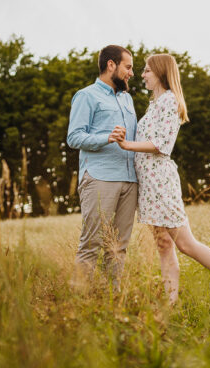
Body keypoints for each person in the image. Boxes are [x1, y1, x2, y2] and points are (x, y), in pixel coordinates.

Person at [117, 54, 210, 304]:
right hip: (149, 186)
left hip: (161, 183)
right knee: (164, 245)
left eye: (147, 70)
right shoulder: (154, 103)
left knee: (186, 244)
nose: (143, 75)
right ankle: (171, 305)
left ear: (160, 73)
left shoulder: (169, 101)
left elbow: (162, 144)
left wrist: (127, 145)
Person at [67, 45, 138, 285]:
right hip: (100, 178)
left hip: (130, 180)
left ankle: (112, 302)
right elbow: (74, 137)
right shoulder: (86, 96)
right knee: (91, 243)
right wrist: (106, 137)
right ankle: (78, 302)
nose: (131, 73)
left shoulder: (127, 99)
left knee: (118, 247)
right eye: (128, 67)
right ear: (111, 65)